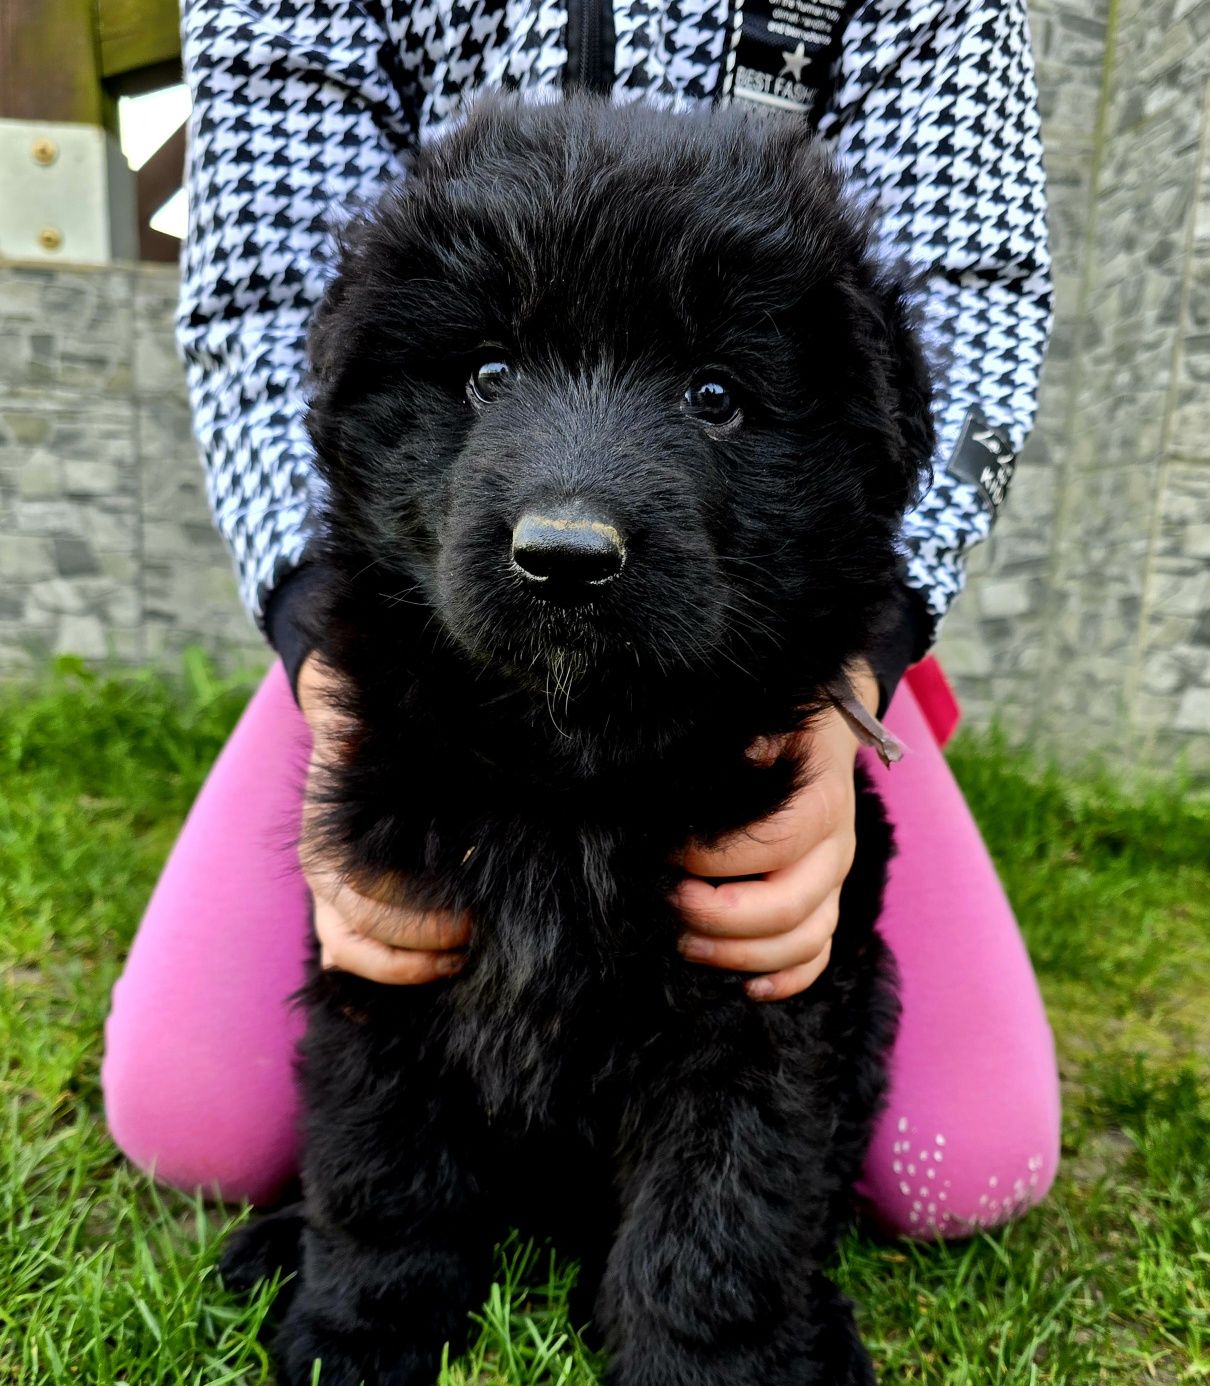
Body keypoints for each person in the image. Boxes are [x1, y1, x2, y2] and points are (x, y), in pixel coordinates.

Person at [102, 0, 1061, 1236]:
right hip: (425, 631)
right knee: (196, 1121)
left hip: (754, 648)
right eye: (497, 378)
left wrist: (852, 672)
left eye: (710, 393)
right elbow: (268, 299)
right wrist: (327, 653)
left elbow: (966, 293)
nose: (575, 501)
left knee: (960, 1164)